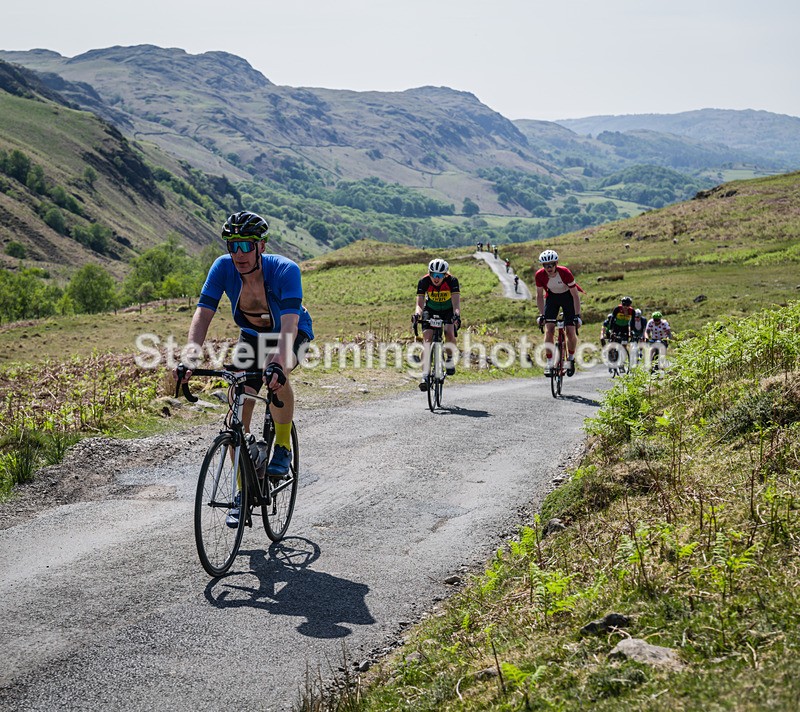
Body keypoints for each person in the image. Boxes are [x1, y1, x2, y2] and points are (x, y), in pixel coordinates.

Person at [176, 210, 314, 510]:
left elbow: (289, 324)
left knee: (279, 377)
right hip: (252, 336)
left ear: (261, 246)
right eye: (232, 245)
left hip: (290, 331)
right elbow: (203, 312)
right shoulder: (222, 268)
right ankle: (244, 491)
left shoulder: (285, 270)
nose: (238, 253)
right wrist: (190, 355)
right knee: (237, 410)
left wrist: (277, 362)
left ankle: (281, 445)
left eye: (245, 245)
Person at [413, 258, 461, 391]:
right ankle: (425, 376)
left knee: (449, 333)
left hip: (447, 310)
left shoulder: (452, 281)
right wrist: (417, 314)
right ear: (429, 273)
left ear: (445, 275)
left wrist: (456, 315)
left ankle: (450, 359)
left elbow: (456, 304)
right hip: (430, 310)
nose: (436, 278)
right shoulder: (424, 281)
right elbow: (419, 303)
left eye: (439, 275)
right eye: (433, 274)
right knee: (427, 340)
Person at [534, 249, 582, 377]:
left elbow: (575, 296)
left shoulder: (565, 272)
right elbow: (539, 296)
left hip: (568, 298)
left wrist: (577, 316)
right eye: (546, 265)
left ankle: (570, 359)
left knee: (570, 331)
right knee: (549, 329)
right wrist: (542, 315)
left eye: (551, 264)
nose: (549, 268)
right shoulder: (539, 275)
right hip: (552, 298)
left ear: (556, 263)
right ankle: (550, 362)